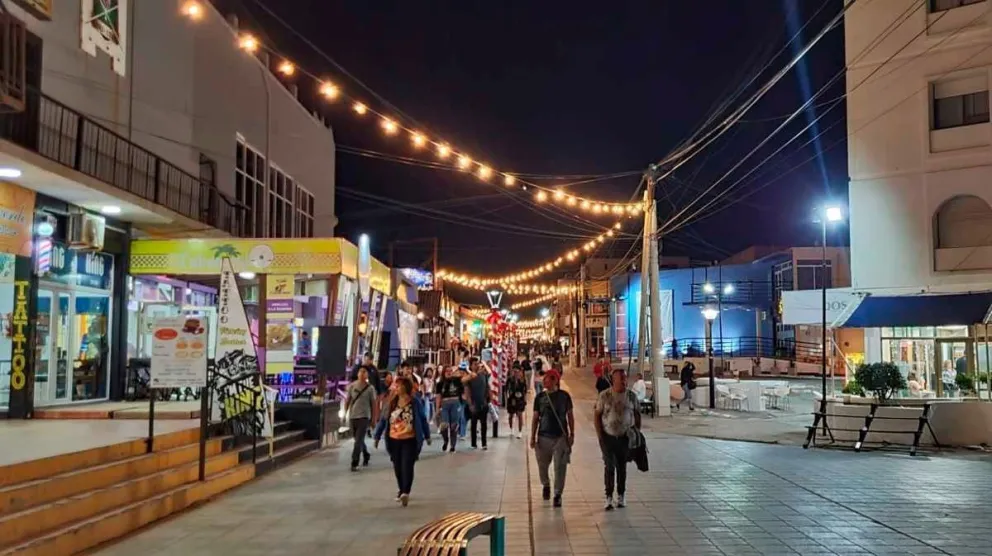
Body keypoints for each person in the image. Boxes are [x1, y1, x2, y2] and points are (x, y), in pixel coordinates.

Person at [374, 376, 430, 507]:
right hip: (394, 439)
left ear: (405, 387)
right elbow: (383, 420)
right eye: (396, 386)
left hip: (409, 439)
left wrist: (427, 435)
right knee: (397, 466)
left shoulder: (415, 402)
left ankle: (406, 491)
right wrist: (377, 436)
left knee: (407, 465)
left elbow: (422, 419)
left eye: (398, 385)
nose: (396, 388)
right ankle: (401, 488)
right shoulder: (392, 402)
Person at [594, 368, 641, 510]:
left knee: (622, 467)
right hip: (607, 437)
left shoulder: (631, 396)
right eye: (621, 379)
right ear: (613, 380)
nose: (624, 381)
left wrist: (636, 432)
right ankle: (608, 497)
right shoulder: (605, 396)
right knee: (609, 466)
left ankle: (621, 495)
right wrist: (600, 435)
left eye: (625, 378)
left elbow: (637, 414)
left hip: (625, 437)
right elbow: (597, 415)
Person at [531, 369, 574, 508]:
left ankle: (557, 494)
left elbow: (570, 416)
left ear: (555, 380)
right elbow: (535, 418)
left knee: (559, 467)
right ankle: (546, 484)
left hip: (560, 438)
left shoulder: (564, 397)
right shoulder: (540, 398)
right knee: (542, 466)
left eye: (547, 379)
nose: (544, 381)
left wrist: (571, 434)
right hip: (543, 437)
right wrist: (532, 436)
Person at [343, 367, 378, 471]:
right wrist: (345, 413)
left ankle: (354, 462)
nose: (362, 374)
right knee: (358, 439)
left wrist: (374, 419)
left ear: (367, 375)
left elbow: (374, 404)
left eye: (364, 372)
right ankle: (366, 454)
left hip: (364, 417)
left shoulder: (370, 388)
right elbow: (348, 400)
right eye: (360, 372)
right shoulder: (352, 386)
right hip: (353, 416)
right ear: (358, 374)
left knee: (358, 441)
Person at [436, 365, 471, 452]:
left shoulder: (457, 380)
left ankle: (452, 445)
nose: (449, 372)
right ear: (443, 372)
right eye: (447, 371)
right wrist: (437, 408)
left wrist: (465, 370)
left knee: (454, 426)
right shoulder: (440, 383)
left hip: (455, 403)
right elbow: (438, 396)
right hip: (445, 404)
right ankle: (445, 440)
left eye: (450, 371)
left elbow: (469, 377)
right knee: (444, 425)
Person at [467, 357, 491, 450]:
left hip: (483, 403)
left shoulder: (483, 374)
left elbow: (489, 373)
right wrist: (470, 404)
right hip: (474, 403)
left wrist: (484, 363)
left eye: (477, 364)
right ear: (471, 366)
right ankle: (474, 443)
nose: (477, 365)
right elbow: (467, 392)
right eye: (474, 364)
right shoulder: (469, 377)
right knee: (473, 424)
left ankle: (484, 443)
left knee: (483, 424)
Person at [506, 364, 528, 439]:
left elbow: (525, 390)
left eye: (517, 371)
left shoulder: (522, 380)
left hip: (520, 399)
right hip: (511, 399)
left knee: (520, 415)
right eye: (514, 371)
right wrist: (507, 399)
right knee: (510, 415)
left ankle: (520, 432)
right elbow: (506, 390)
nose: (515, 373)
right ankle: (511, 429)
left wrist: (525, 399)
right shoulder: (510, 379)